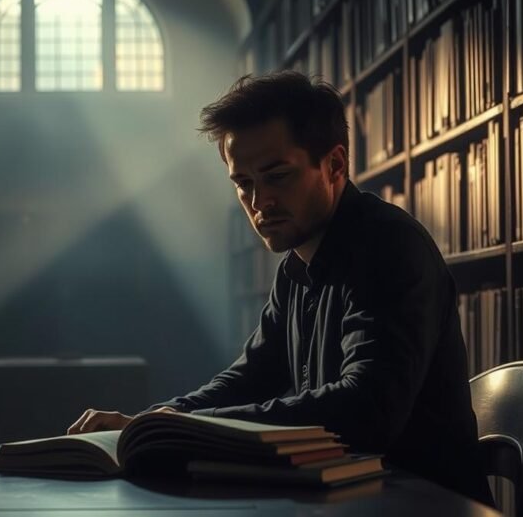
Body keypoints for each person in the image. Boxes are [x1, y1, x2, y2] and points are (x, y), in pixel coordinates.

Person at [66, 71, 494, 507]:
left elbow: (367, 411)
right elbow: (252, 376)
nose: (259, 202)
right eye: (244, 183)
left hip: (421, 506)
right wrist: (160, 420)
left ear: (335, 165)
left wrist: (190, 430)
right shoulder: (296, 266)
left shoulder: (390, 247)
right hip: (349, 499)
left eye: (278, 176)